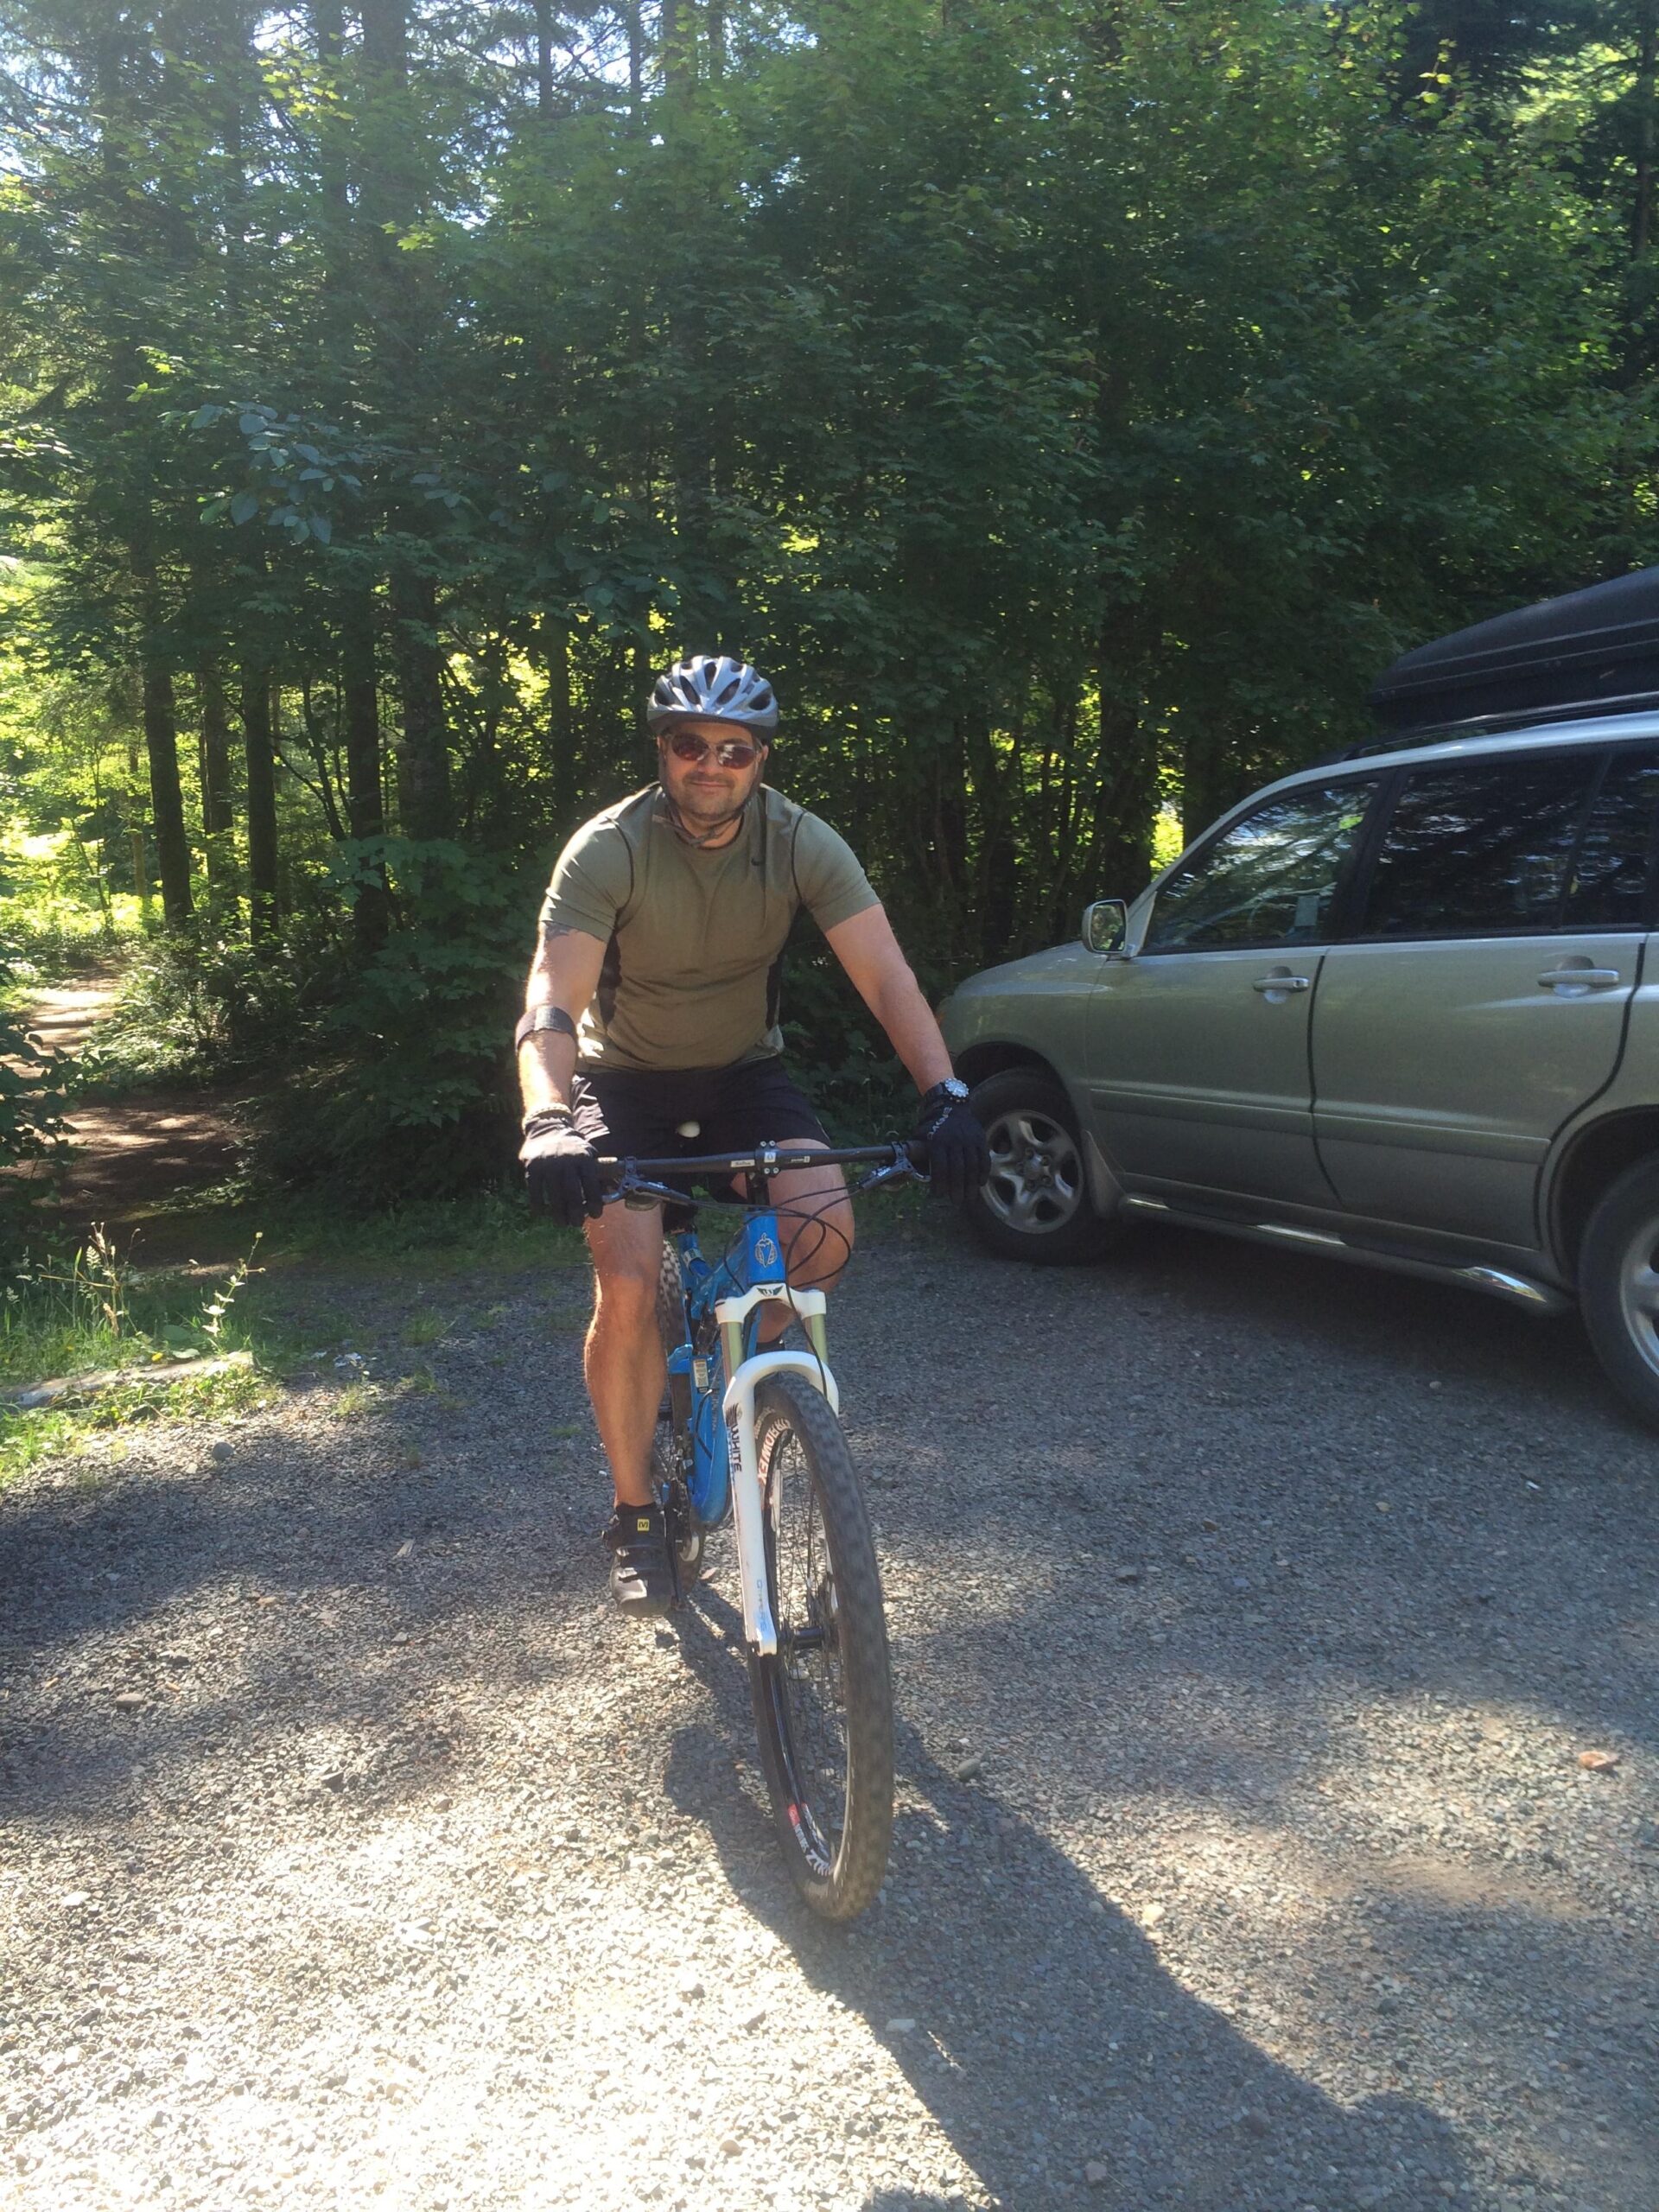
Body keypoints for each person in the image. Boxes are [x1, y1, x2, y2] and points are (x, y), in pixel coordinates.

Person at [515, 653, 988, 1618]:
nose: (712, 765)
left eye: (735, 750)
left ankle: (731, 1363)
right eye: (692, 745)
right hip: (621, 1081)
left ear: (760, 760)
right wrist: (547, 1118)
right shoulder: (609, 847)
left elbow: (886, 975)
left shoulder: (801, 840)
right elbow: (552, 997)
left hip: (742, 1075)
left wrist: (946, 1093)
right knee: (629, 1282)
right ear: (664, 751)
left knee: (826, 1234)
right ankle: (635, 1514)